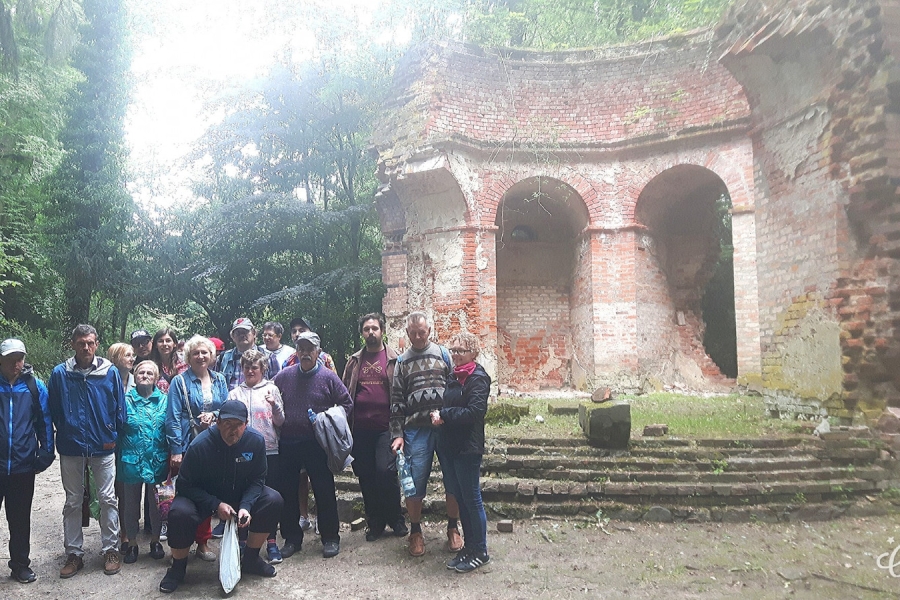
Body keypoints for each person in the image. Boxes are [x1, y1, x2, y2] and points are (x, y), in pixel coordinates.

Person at [158, 400, 283, 593]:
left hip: (239, 494)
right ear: (218, 423)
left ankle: (251, 559)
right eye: (228, 424)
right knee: (179, 513)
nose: (233, 430)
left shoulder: (255, 441)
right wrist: (215, 504)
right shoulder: (199, 445)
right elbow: (184, 485)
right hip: (203, 497)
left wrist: (246, 506)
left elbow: (258, 479)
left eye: (238, 425)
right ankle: (178, 568)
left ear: (246, 424)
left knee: (273, 500)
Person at [48, 324, 126, 578]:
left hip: (103, 444)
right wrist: (66, 429)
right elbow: (53, 408)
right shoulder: (60, 373)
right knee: (72, 500)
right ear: (73, 344)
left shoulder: (109, 372)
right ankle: (74, 553)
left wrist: (111, 433)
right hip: (71, 445)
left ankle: (111, 549)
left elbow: (120, 408)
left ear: (97, 344)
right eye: (81, 343)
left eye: (90, 343)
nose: (86, 347)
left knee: (107, 498)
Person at [273, 331, 352, 559]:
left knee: (323, 489)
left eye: (310, 349)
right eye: (302, 349)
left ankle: (330, 538)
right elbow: (271, 399)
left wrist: (328, 420)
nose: (305, 353)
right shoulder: (283, 376)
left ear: (318, 352)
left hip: (317, 443)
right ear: (296, 352)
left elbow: (346, 403)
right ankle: (292, 539)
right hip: (288, 442)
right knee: (287, 491)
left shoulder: (328, 377)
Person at [390, 311, 461, 557]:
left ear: (429, 330)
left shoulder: (443, 354)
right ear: (407, 334)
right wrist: (397, 434)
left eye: (422, 332)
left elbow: (455, 388)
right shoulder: (401, 362)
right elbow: (396, 400)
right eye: (414, 333)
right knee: (415, 483)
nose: (419, 337)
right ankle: (416, 532)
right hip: (415, 430)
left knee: (453, 479)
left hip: (446, 428)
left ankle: (453, 528)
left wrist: (453, 418)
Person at [341, 313, 406, 541]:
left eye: (375, 328)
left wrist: (400, 428)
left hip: (386, 427)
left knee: (385, 472)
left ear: (382, 331)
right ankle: (375, 522)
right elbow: (345, 391)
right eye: (366, 329)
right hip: (359, 429)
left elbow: (402, 393)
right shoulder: (354, 361)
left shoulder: (394, 360)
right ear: (362, 333)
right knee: (366, 476)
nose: (371, 332)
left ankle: (396, 519)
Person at [431, 332, 491, 572]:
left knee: (472, 499)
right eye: (453, 350)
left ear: (473, 353)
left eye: (461, 350)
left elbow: (474, 413)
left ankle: (480, 551)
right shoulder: (453, 376)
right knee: (461, 499)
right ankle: (469, 547)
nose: (455, 354)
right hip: (450, 447)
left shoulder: (478, 378)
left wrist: (444, 415)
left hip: (468, 448)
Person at [165, 335, 227, 561]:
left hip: (214, 444)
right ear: (188, 357)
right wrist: (176, 450)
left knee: (208, 492)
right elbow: (172, 417)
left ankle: (202, 542)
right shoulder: (179, 382)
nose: (200, 356)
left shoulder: (220, 379)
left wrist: (214, 415)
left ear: (211, 356)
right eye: (195, 353)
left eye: (204, 353)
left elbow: (226, 408)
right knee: (184, 495)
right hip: (187, 443)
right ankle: (180, 544)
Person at [0, 338, 55, 584]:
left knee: (20, 520)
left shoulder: (34, 386)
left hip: (22, 465)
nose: (16, 364)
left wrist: (46, 453)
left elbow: (45, 421)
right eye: (11, 360)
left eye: (20, 359)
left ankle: (20, 565)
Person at [227, 348, 284, 563]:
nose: (250, 371)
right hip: (241, 450)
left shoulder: (272, 389)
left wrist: (274, 405)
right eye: (246, 367)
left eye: (254, 367)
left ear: (262, 369)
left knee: (270, 498)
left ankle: (271, 542)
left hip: (269, 449)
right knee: (243, 495)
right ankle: (243, 542)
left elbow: (280, 421)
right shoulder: (235, 393)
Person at [118, 360, 168, 564]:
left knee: (156, 504)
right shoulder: (124, 400)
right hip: (131, 460)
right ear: (135, 376)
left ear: (156, 378)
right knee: (130, 504)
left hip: (157, 460)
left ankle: (155, 540)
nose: (145, 376)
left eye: (149, 373)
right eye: (141, 373)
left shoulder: (165, 400)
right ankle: (132, 543)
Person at [217, 318, 265, 391]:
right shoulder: (223, 357)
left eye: (245, 332)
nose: (242, 335)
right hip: (229, 398)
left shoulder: (267, 356)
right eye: (238, 333)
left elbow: (275, 384)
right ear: (232, 337)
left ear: (254, 333)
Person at [150, 328, 187, 394]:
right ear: (156, 345)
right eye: (161, 341)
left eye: (168, 341)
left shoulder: (185, 364)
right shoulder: (151, 366)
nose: (164, 344)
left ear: (174, 344)